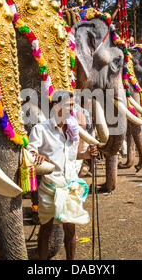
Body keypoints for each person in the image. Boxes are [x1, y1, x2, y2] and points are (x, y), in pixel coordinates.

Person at [27, 90, 98, 260]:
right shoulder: (40, 129)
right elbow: (30, 154)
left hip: (70, 186)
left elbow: (73, 156)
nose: (72, 109)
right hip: (50, 186)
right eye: (69, 105)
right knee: (46, 229)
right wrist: (38, 158)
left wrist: (87, 154)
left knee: (71, 230)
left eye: (73, 105)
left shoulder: (73, 128)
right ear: (55, 106)